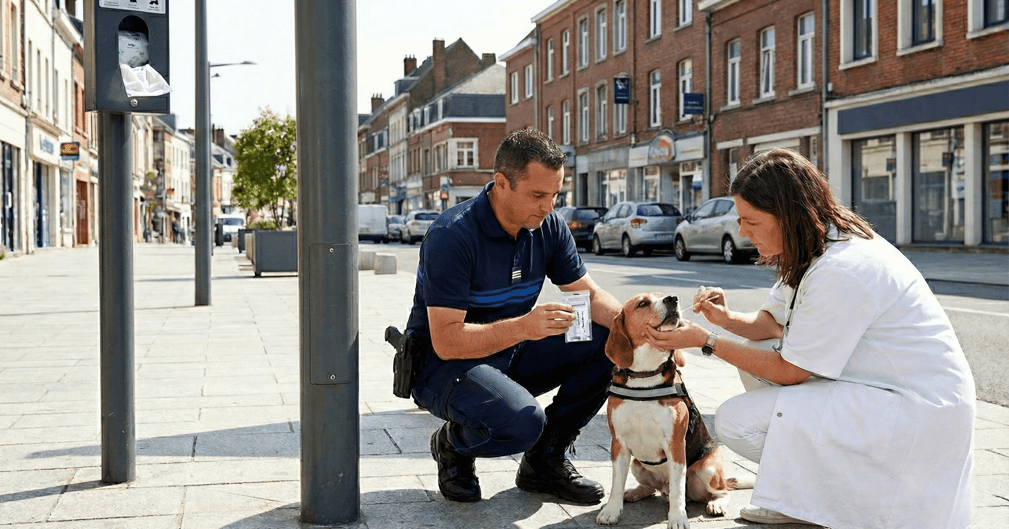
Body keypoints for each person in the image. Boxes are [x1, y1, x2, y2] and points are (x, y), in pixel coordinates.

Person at [649, 148, 975, 528]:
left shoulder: (843, 269)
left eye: (749, 220)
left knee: (737, 420)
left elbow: (790, 370)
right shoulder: (816, 246)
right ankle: (795, 495)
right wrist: (723, 318)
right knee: (754, 355)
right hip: (880, 389)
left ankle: (819, 499)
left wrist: (705, 340)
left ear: (786, 215)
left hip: (917, 408)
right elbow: (770, 325)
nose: (741, 231)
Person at [406, 128, 623, 504]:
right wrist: (525, 326)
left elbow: (589, 295)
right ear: (502, 183)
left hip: (510, 349)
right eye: (538, 195)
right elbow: (447, 340)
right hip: (443, 366)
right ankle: (453, 445)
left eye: (555, 195)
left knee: (610, 342)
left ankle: (545, 460)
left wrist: (638, 327)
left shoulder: (547, 224)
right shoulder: (452, 236)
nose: (548, 206)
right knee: (522, 423)